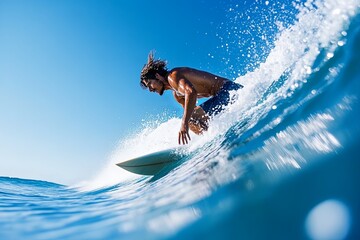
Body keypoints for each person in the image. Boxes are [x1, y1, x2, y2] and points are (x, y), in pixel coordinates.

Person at [140, 52, 243, 145]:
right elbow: (193, 111)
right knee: (193, 120)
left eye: (150, 84)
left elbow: (191, 92)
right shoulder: (177, 95)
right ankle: (215, 137)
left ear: (157, 76)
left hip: (229, 90)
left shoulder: (173, 76)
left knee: (189, 120)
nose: (150, 89)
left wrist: (184, 123)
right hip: (221, 97)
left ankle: (215, 139)